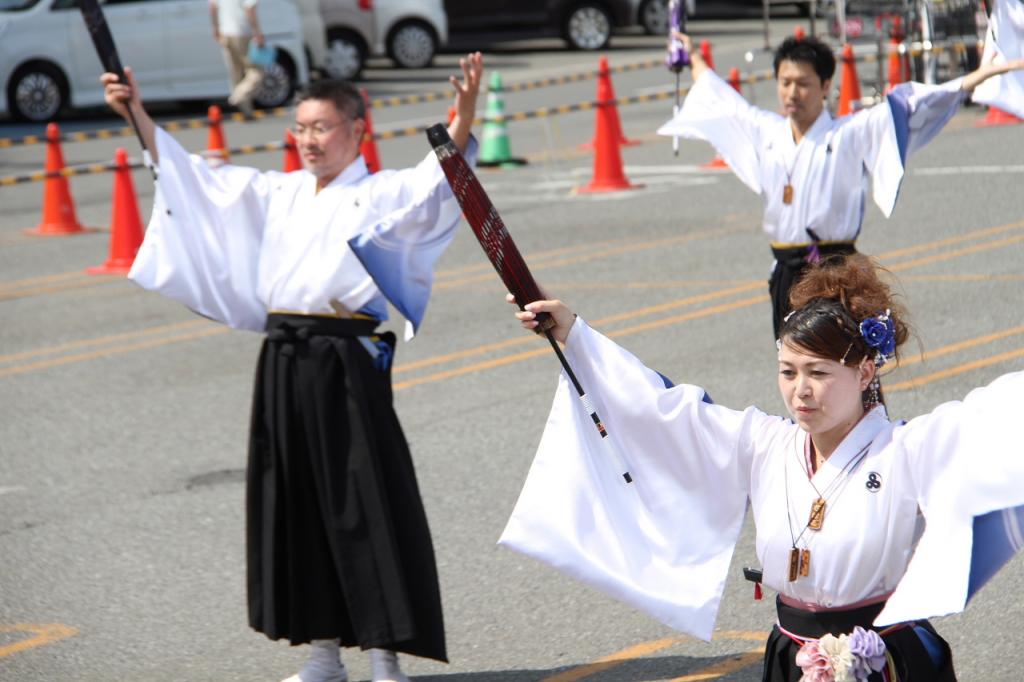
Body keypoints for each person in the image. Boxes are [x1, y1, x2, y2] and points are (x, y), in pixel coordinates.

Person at [102, 53, 484, 682]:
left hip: (345, 362)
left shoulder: (379, 191)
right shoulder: (276, 192)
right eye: (301, 128)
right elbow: (191, 178)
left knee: (364, 504)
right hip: (283, 358)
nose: (308, 140)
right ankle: (324, 653)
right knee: (297, 504)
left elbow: (438, 178)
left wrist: (463, 112)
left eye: (322, 127)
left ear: (357, 131)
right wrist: (136, 111)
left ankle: (385, 656)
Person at [502, 255, 1024, 680]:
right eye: (788, 370)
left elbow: (997, 414)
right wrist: (573, 334)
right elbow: (664, 411)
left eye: (819, 372)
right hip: (790, 653)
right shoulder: (764, 442)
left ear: (866, 370)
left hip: (885, 655)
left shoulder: (908, 449)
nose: (801, 390)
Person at [657, 33, 1024, 338]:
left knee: (847, 367)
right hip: (787, 270)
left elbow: (910, 104)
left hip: (836, 269)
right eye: (785, 83)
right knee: (796, 368)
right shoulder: (765, 130)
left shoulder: (848, 133)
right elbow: (722, 98)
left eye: (803, 83)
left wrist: (972, 80)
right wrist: (692, 57)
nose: (792, 93)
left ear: (826, 86)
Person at [210, 0, 266, 115]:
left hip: (225, 33)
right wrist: (257, 32)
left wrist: (216, 28)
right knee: (256, 71)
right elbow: (250, 8)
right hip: (242, 32)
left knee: (236, 73)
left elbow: (213, 7)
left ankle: (246, 111)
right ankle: (237, 96)